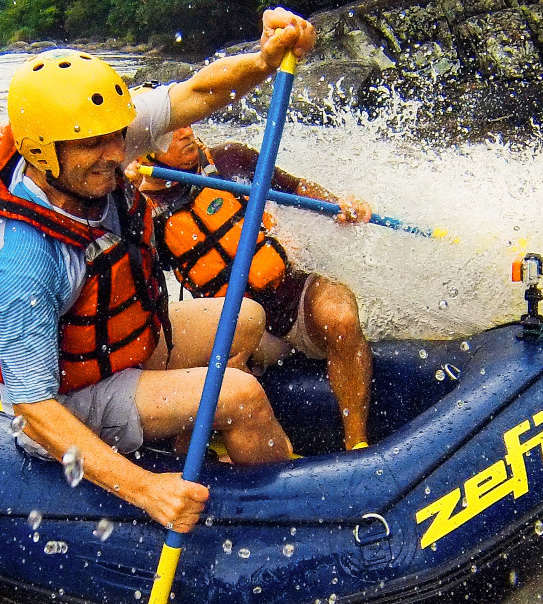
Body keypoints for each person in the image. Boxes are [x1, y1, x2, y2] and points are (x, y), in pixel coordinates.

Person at [0, 9, 315, 533]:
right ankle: (294, 520)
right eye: (96, 145)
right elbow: (33, 408)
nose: (119, 154)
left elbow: (197, 94)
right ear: (43, 149)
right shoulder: (23, 259)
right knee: (239, 395)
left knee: (245, 316)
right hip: (69, 397)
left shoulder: (87, 141)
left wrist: (265, 61)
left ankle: (186, 438)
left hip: (119, 347)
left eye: (118, 136)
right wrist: (145, 489)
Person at [139, 127, 376, 450]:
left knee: (340, 316)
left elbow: (296, 187)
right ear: (141, 151)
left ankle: (357, 444)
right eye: (167, 129)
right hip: (239, 328)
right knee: (212, 352)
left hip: (292, 295)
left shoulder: (229, 159)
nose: (185, 131)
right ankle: (217, 453)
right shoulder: (140, 211)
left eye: (186, 121)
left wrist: (337, 204)